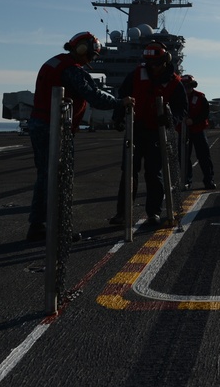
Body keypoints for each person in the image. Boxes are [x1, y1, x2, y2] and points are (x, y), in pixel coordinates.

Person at [26, 32, 132, 242]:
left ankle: (38, 225)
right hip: (54, 128)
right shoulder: (71, 70)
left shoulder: (55, 62)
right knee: (59, 178)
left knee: (46, 177)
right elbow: (94, 96)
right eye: (91, 56)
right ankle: (57, 229)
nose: (91, 60)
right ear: (82, 49)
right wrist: (121, 102)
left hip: (40, 124)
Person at [110, 42, 187, 226]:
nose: (153, 67)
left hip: (156, 132)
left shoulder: (175, 82)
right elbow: (123, 95)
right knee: (129, 171)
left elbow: (181, 109)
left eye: (157, 63)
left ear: (165, 61)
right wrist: (118, 117)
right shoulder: (136, 74)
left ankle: (153, 213)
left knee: (154, 173)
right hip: (135, 129)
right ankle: (122, 213)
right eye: (150, 63)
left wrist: (170, 120)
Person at [181, 74, 215, 190]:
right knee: (184, 158)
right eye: (184, 86)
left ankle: (208, 180)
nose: (187, 89)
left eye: (189, 86)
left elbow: (205, 113)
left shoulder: (200, 97)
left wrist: (193, 121)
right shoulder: (177, 98)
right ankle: (186, 181)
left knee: (204, 156)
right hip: (184, 131)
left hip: (198, 130)